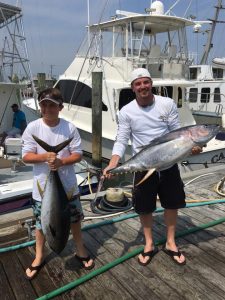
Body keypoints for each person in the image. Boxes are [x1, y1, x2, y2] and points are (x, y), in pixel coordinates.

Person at [103, 68, 202, 266]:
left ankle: (171, 242)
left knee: (172, 203)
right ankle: (149, 243)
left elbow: (177, 133)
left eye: (146, 82)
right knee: (144, 206)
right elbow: (121, 140)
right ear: (133, 88)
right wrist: (113, 163)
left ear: (151, 84)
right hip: (143, 165)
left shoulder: (167, 104)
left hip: (168, 163)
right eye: (138, 84)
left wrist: (191, 147)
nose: (143, 87)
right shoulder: (126, 111)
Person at [22, 87, 94, 280]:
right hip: (42, 189)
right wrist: (46, 156)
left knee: (75, 219)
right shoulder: (33, 128)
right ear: (40, 107)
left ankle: (80, 249)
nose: (48, 108)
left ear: (60, 108)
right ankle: (39, 255)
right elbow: (26, 157)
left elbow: (78, 155)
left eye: (52, 105)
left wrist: (61, 162)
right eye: (44, 104)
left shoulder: (69, 128)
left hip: (68, 186)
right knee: (40, 224)